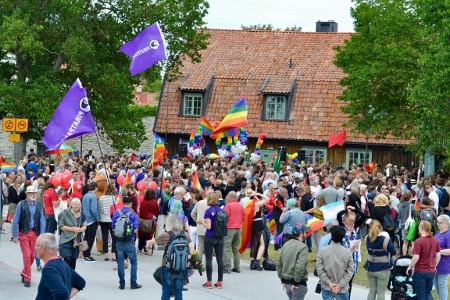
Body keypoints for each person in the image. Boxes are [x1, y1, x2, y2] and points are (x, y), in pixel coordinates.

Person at [146, 215, 195, 300]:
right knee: (179, 293)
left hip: (167, 267)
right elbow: (192, 251)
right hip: (181, 268)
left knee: (166, 292)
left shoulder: (167, 235)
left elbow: (152, 241)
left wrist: (148, 245)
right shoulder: (185, 234)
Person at [12, 186, 46, 287]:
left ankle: (23, 272)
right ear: (27, 194)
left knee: (32, 256)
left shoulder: (39, 205)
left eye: (34, 193)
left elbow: (42, 221)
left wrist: (42, 235)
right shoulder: (21, 204)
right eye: (31, 193)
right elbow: (15, 220)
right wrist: (15, 235)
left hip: (34, 234)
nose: (33, 195)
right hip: (24, 233)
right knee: (27, 256)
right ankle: (27, 278)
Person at [35, 233, 86, 300]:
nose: (35, 248)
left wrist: (65, 297)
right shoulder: (62, 263)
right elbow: (80, 282)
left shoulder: (49, 269)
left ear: (43, 247)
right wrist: (67, 297)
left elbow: (62, 293)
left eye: (36, 245)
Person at [316, 225, 354, 300]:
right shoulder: (347, 253)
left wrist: (329, 283)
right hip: (342, 289)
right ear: (342, 238)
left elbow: (319, 270)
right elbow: (350, 271)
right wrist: (340, 285)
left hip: (327, 287)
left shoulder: (322, 251)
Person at [112, 196, 141, 290]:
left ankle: (122, 283)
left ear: (122, 202)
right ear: (131, 204)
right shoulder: (133, 214)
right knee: (134, 261)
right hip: (129, 240)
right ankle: (133, 283)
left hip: (119, 241)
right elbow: (136, 230)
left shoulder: (116, 213)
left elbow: (113, 228)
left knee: (120, 262)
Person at [406, 220, 441, 300]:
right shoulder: (435, 240)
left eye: (419, 227)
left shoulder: (419, 241)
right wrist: (434, 265)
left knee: (421, 294)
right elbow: (438, 255)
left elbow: (416, 257)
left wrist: (410, 266)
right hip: (431, 270)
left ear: (421, 228)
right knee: (428, 293)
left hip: (420, 271)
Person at [276, 222, 309, 300]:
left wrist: (282, 280)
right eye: (305, 232)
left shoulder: (286, 244)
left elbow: (279, 264)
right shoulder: (303, 247)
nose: (306, 234)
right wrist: (296, 283)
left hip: (287, 282)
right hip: (298, 284)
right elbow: (300, 266)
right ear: (301, 233)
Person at [364, 220, 396, 300]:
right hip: (383, 268)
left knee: (372, 291)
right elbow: (394, 252)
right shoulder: (386, 239)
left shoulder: (367, 238)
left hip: (370, 267)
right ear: (380, 228)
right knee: (381, 292)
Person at [200, 191, 225, 288]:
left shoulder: (208, 211)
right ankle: (219, 282)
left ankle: (209, 281)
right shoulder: (222, 211)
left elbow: (209, 226)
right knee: (220, 260)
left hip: (210, 236)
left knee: (209, 259)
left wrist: (203, 222)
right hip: (220, 236)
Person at [58, 198, 86, 269]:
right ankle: (65, 275)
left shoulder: (82, 214)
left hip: (76, 241)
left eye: (79, 205)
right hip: (66, 239)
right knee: (67, 258)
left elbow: (85, 225)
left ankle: (71, 276)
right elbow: (61, 226)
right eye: (75, 204)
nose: (77, 206)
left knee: (73, 260)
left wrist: (80, 229)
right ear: (71, 205)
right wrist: (72, 229)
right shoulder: (64, 213)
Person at [223, 191, 244, 273]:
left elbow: (225, 217)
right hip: (238, 228)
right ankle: (237, 266)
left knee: (226, 248)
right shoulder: (240, 206)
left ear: (230, 197)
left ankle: (227, 267)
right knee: (235, 248)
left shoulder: (228, 205)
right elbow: (243, 217)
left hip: (230, 228)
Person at [81, 181, 99, 262]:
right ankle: (87, 255)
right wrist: (97, 218)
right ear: (95, 188)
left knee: (86, 237)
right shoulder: (93, 197)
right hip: (92, 220)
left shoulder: (85, 196)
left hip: (85, 219)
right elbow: (94, 210)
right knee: (91, 239)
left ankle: (84, 253)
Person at [137, 188, 159, 255]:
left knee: (141, 235)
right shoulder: (153, 202)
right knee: (148, 235)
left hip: (141, 220)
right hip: (149, 221)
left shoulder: (143, 201)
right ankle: (146, 249)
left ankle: (140, 248)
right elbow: (157, 212)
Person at [434, 214, 450, 300]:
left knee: (442, 285)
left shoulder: (448, 234)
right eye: (437, 222)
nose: (437, 224)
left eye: (439, 223)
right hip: (435, 263)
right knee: (436, 285)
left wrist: (438, 252)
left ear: (446, 224)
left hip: (444, 264)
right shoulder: (437, 233)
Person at [99, 184, 116, 260]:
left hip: (103, 219)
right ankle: (113, 254)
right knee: (114, 238)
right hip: (112, 220)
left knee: (105, 237)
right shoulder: (114, 198)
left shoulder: (101, 198)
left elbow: (100, 209)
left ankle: (106, 254)